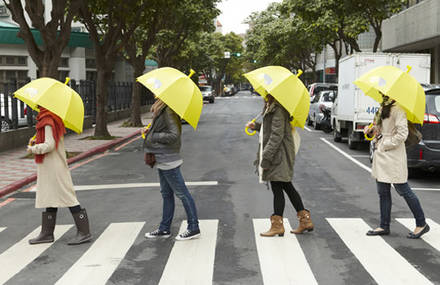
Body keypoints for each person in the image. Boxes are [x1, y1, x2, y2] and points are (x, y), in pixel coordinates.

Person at [246, 94, 313, 237]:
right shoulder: (272, 107)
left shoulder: (278, 109)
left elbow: (276, 135)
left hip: (279, 155)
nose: (264, 94)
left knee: (278, 187)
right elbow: (269, 129)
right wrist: (256, 126)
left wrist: (266, 158)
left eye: (266, 91)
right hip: (279, 154)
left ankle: (277, 226)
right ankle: (305, 221)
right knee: (286, 186)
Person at [364, 94, 429, 238]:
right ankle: (383, 226)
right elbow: (381, 130)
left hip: (392, 156)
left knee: (403, 190)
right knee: (383, 192)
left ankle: (421, 223)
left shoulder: (398, 108)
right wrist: (372, 132)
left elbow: (402, 134)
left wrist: (385, 144)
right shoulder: (384, 107)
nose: (381, 92)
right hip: (382, 155)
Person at [27, 107, 91, 245]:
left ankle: (84, 232)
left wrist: (34, 149)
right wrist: (37, 142)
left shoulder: (47, 121)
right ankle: (47, 233)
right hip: (51, 166)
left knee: (68, 198)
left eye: (39, 105)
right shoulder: (52, 119)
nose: (37, 107)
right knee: (51, 197)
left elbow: (49, 145)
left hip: (54, 167)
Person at [143, 99, 201, 241]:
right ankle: (164, 228)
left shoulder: (168, 110)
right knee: (166, 194)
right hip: (162, 158)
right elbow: (162, 130)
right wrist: (149, 131)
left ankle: (193, 227)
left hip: (168, 159)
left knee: (183, 194)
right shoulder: (161, 108)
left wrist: (153, 135)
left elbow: (174, 135)